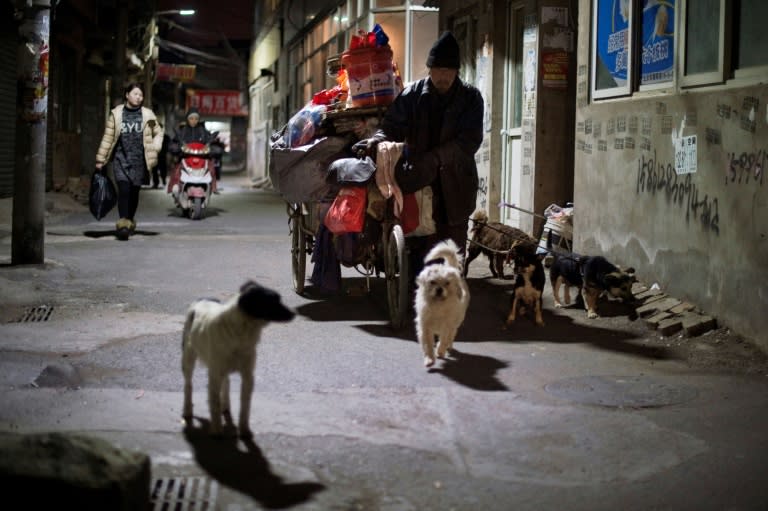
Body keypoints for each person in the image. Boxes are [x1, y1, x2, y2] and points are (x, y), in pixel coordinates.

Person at [356, 31, 484, 277]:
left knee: (452, 246)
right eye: (438, 70)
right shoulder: (412, 95)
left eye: (449, 70)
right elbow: (392, 126)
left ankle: (449, 299)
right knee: (418, 241)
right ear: (429, 69)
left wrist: (436, 158)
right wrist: (377, 140)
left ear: (457, 71)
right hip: (418, 179)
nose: (443, 76)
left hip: (456, 183)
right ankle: (417, 295)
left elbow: (469, 141)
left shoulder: (471, 98)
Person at [95, 82, 164, 240]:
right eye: (135, 94)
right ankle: (123, 225)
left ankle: (130, 219)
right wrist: (101, 159)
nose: (138, 97)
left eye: (141, 95)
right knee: (124, 191)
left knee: (134, 193)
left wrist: (155, 147)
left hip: (140, 162)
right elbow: (108, 137)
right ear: (127, 95)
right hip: (121, 159)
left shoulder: (147, 114)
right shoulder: (116, 114)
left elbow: (158, 132)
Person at [169, 107, 219, 193]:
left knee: (211, 167)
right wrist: (175, 147)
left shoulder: (203, 131)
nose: (194, 120)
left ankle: (213, 187)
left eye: (196, 118)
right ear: (187, 119)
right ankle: (174, 186)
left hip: (202, 157)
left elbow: (209, 141)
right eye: (191, 118)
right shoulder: (182, 131)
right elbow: (174, 142)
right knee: (177, 167)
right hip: (185, 156)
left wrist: (211, 148)